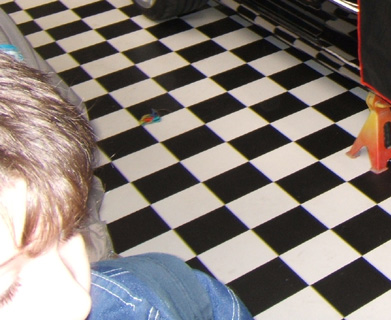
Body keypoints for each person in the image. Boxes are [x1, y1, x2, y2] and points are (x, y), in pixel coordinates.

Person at [0, 53, 255, 320]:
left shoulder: (145, 294)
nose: (79, 302)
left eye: (65, 235)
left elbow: (217, 305)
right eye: (6, 289)